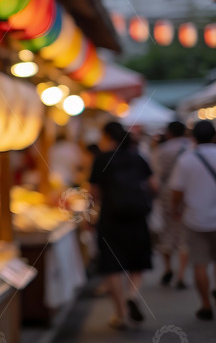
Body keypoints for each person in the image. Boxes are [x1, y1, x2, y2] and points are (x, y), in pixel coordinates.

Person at [89, 121, 156, 330]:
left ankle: (120, 314)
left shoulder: (101, 159)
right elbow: (154, 185)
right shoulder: (137, 158)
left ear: (107, 136)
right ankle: (132, 295)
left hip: (110, 218)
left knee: (112, 265)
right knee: (137, 261)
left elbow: (93, 194)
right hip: (137, 218)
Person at [170, 120, 216, 321]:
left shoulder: (186, 160)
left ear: (194, 138)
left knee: (200, 263)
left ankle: (206, 305)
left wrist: (175, 210)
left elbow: (177, 191)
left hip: (195, 218)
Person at [151, 121, 191, 288]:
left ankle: (168, 268)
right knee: (184, 234)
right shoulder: (192, 148)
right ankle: (181, 274)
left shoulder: (161, 150)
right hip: (188, 194)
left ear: (169, 133)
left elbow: (154, 177)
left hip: (166, 194)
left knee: (166, 231)